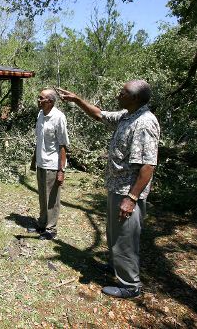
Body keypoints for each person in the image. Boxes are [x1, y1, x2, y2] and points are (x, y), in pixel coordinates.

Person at [57, 80, 160, 299]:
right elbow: (99, 115)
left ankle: (131, 285)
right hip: (116, 187)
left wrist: (131, 198)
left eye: (123, 92)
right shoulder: (127, 115)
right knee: (114, 233)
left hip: (128, 191)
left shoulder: (144, 122)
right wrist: (77, 100)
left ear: (133, 98)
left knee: (125, 237)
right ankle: (116, 267)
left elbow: (148, 166)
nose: (118, 93)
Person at [28, 89, 69, 240]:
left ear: (50, 101)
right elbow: (39, 140)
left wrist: (61, 170)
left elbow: (62, 145)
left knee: (52, 198)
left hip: (53, 163)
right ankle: (42, 223)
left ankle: (51, 229)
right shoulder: (40, 115)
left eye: (41, 98)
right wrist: (34, 160)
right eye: (38, 97)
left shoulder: (59, 117)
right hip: (41, 162)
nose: (38, 100)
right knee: (42, 196)